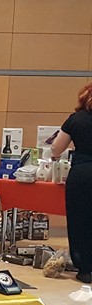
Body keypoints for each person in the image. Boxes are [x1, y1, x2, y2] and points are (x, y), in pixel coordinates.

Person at [51, 81, 92, 285]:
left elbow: (56, 149)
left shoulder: (75, 120)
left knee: (80, 220)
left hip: (82, 174)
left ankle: (85, 269)